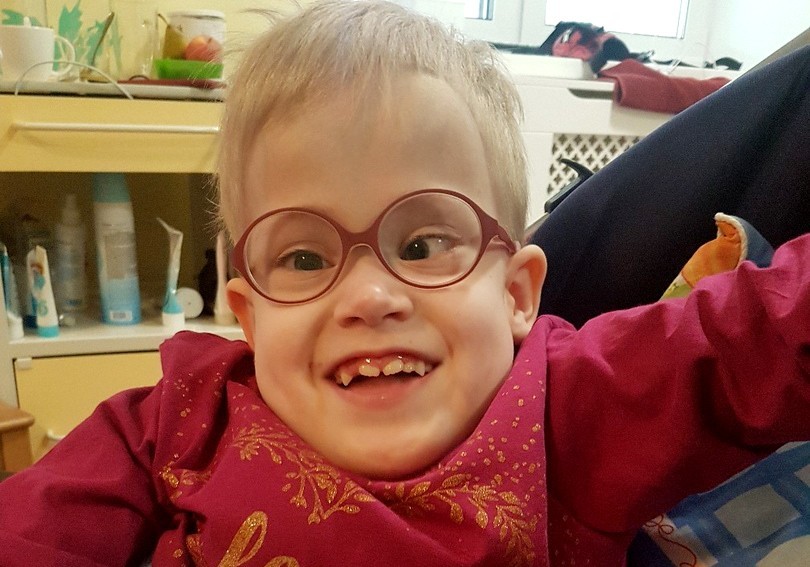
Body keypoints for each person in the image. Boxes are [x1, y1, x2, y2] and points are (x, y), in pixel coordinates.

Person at [0, 2, 808, 566]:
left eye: (422, 244)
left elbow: (750, 337)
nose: (369, 297)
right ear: (248, 315)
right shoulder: (180, 416)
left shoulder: (569, 405)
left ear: (516, 293)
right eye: (305, 259)